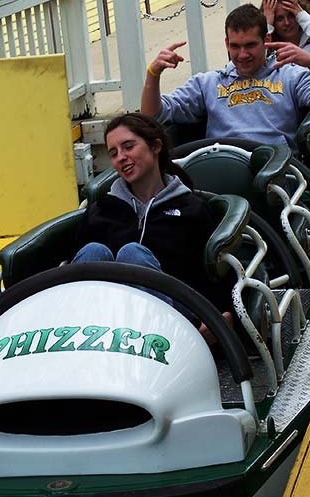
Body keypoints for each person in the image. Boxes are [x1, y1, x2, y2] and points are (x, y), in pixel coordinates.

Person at [72, 112, 232, 340]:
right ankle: (79, 338)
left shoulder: (192, 209)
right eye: (114, 153)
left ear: (155, 146)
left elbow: (215, 273)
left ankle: (156, 341)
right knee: (93, 251)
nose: (121, 157)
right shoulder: (101, 209)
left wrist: (221, 313)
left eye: (129, 147)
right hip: (107, 322)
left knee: (132, 253)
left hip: (173, 321)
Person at [140, 3, 310, 152]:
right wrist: (153, 74)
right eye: (235, 46)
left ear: (266, 40)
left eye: (250, 45)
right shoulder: (208, 82)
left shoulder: (290, 74)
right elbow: (153, 117)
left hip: (274, 166)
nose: (242, 55)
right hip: (223, 163)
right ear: (226, 44)